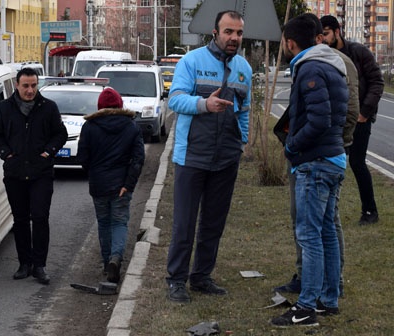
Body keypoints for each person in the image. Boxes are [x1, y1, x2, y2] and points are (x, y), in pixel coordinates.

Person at [165, 10, 252, 303]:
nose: (234, 38)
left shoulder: (244, 68)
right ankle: (176, 279)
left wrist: (242, 142)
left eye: (238, 33)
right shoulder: (191, 61)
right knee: (184, 223)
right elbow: (175, 99)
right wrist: (204, 103)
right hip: (192, 157)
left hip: (226, 158)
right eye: (228, 32)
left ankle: (201, 276)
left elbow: (245, 109)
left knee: (214, 222)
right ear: (215, 32)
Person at [273, 13, 359, 297]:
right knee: (326, 233)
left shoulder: (310, 69)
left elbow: (319, 120)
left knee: (309, 236)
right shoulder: (333, 64)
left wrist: (292, 145)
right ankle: (329, 298)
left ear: (290, 42)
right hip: (334, 156)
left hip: (315, 161)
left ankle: (308, 304)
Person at [0, 67, 68, 285]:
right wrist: (6, 154)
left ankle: (39, 265)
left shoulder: (48, 108)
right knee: (20, 220)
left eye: (34, 85)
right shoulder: (5, 108)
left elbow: (61, 134)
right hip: (15, 173)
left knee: (40, 218)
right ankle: (24, 264)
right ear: (17, 85)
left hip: (41, 173)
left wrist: (48, 152)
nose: (30, 90)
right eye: (26, 86)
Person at [320, 15, 384, 225]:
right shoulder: (325, 56)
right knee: (330, 163)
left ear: (337, 32)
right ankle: (327, 212)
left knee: (357, 162)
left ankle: (370, 211)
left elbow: (377, 82)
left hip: (359, 119)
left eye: (326, 34)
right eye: (321, 35)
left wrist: (364, 113)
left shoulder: (358, 52)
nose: (324, 39)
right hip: (335, 119)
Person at [77, 87, 145, 283]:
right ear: (120, 105)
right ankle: (116, 258)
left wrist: (93, 173)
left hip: (99, 184)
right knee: (119, 222)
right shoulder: (131, 126)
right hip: (121, 186)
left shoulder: (89, 127)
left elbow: (83, 157)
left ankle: (107, 263)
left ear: (100, 106)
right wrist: (128, 184)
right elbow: (138, 158)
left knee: (104, 223)